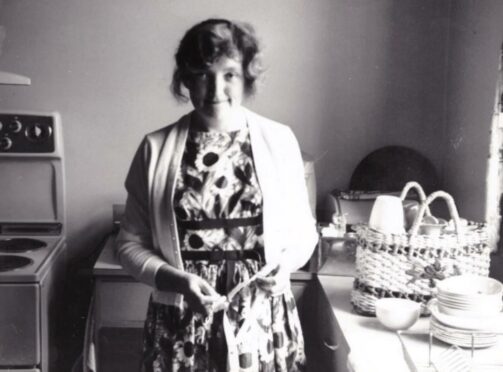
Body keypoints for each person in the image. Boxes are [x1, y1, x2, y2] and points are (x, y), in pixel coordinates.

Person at [115, 18, 318, 372]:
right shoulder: (154, 149)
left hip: (262, 322)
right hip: (181, 324)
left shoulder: (280, 140)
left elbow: (304, 232)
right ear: (185, 78)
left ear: (247, 76)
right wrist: (177, 281)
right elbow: (129, 246)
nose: (215, 88)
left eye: (229, 74)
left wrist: (285, 267)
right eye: (202, 73)